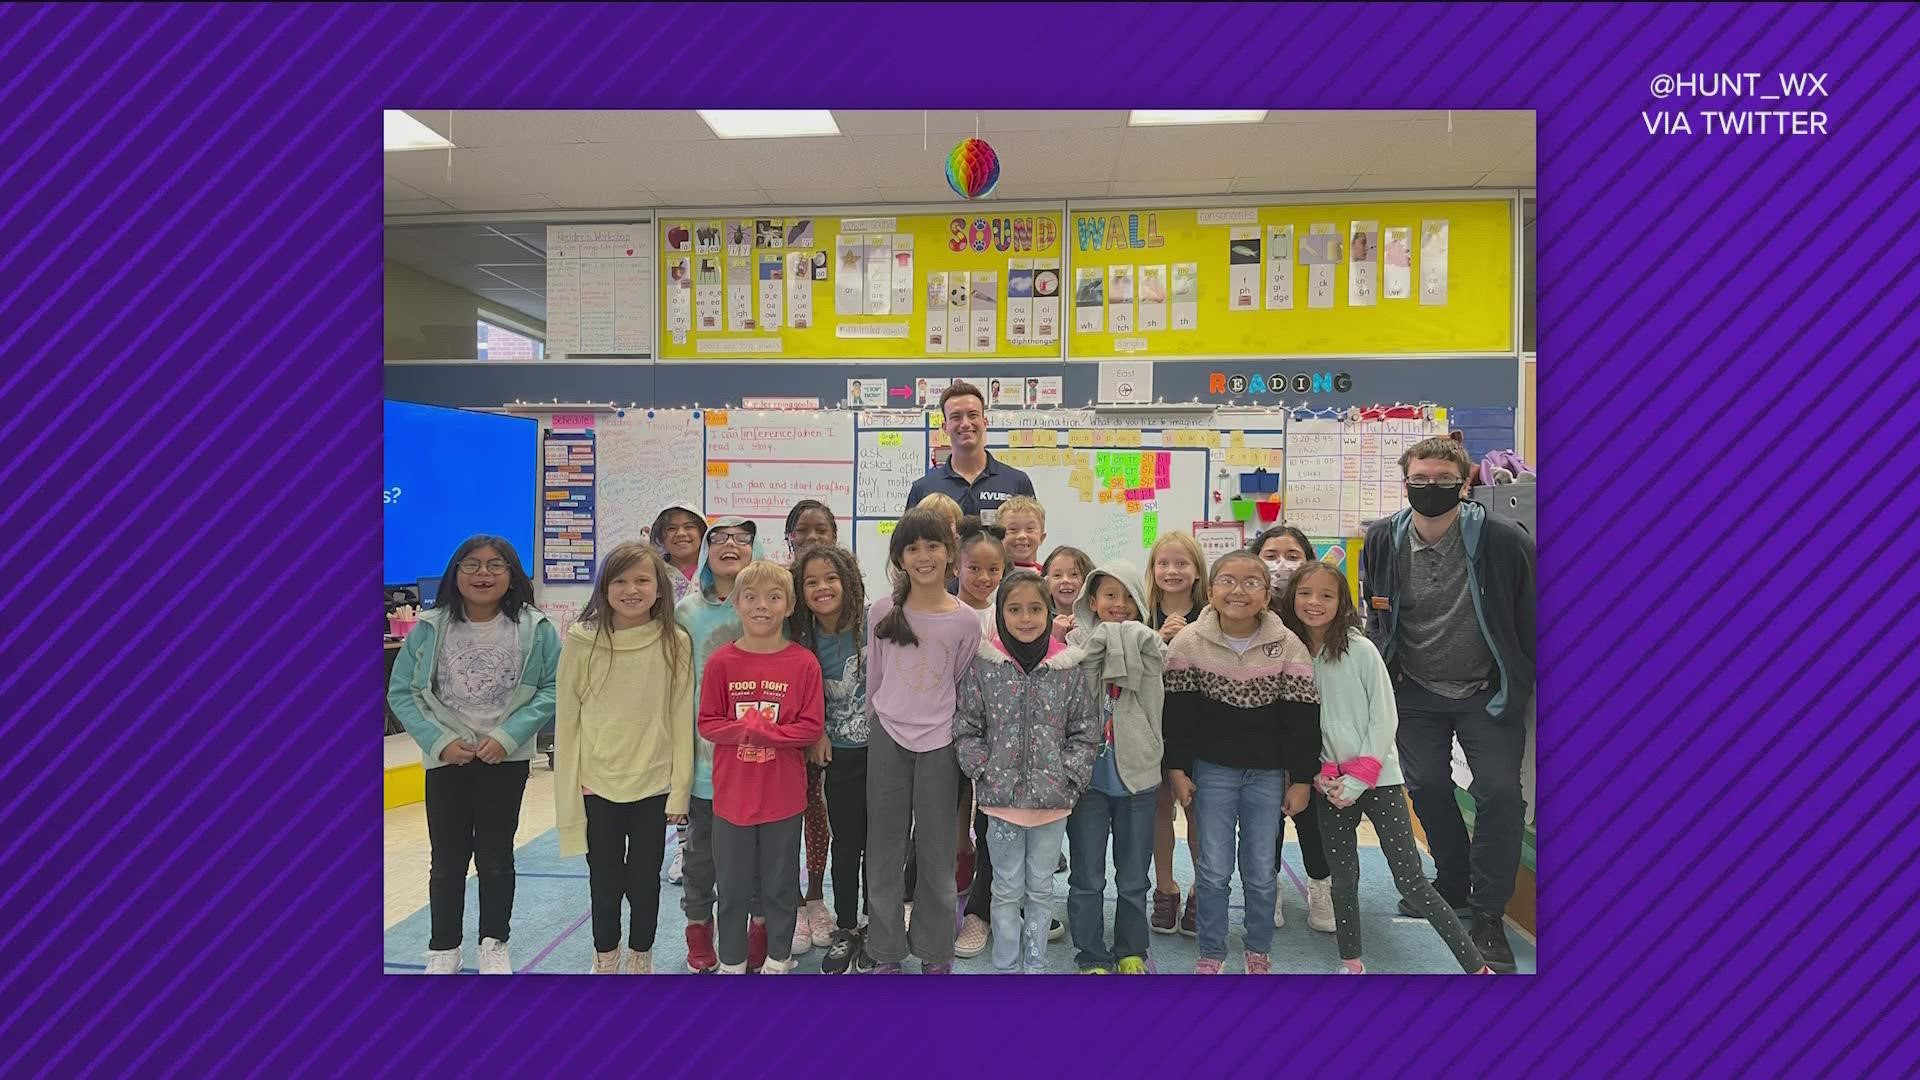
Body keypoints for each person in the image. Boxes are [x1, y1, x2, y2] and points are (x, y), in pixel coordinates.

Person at [1361, 436, 1535, 973]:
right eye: (1420, 479)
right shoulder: (1382, 541)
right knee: (1428, 788)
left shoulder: (1504, 542)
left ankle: (1487, 915)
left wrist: (1519, 681)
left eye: (1443, 480)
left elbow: (1529, 617)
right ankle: (1452, 884)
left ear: (1464, 484)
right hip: (1413, 688)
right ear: (1404, 479)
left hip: (1486, 689)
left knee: (1502, 796)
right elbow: (1378, 614)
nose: (1430, 488)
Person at [1279, 562, 1492, 975]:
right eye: (1305, 593)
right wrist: (1320, 774)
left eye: (1327, 594)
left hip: (1379, 782)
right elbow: (1302, 724)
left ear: (1342, 602)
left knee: (1411, 881)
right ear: (1291, 599)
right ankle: (1351, 962)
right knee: (1343, 881)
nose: (1314, 602)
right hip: (1330, 787)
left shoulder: (1360, 650)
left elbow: (1384, 718)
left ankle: (1477, 967)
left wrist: (1360, 776)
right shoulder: (1293, 654)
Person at [389, 536, 559, 975]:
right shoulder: (429, 627)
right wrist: (439, 740)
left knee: (496, 855)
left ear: (512, 575)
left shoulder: (535, 627)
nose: (483, 574)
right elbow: (403, 692)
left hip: (505, 759)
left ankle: (493, 941)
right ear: (455, 572)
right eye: (472, 565)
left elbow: (552, 688)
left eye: (495, 565)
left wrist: (508, 735)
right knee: (446, 859)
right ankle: (444, 947)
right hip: (447, 760)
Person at [1163, 551, 1320, 975]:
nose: (1239, 590)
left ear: (1267, 595)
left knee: (1260, 869)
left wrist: (1302, 779)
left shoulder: (1288, 644)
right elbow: (1177, 716)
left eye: (1252, 582)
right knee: (1212, 869)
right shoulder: (1188, 643)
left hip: (1267, 775)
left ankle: (1258, 949)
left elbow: (1302, 719)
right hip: (1211, 771)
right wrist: (1177, 770)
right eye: (1228, 581)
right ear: (1210, 592)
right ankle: (1211, 952)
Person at [552, 543, 693, 974]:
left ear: (659, 588)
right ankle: (606, 956)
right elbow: (568, 719)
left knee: (644, 881)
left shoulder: (675, 641)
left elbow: (680, 714)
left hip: (653, 783)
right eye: (620, 581)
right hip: (598, 782)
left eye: (642, 580)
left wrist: (680, 790)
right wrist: (569, 790)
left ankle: (640, 956)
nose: (631, 590)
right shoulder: (581, 640)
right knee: (605, 880)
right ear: (604, 588)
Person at [955, 571, 1099, 974]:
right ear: (1001, 613)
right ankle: (1005, 968)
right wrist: (982, 771)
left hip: (1052, 804)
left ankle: (1034, 970)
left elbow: (1085, 728)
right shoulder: (985, 665)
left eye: (1035, 609)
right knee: (1004, 890)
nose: (1025, 618)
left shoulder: (1067, 667)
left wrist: (1070, 776)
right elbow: (967, 726)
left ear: (1049, 611)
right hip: (999, 803)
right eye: (1014, 609)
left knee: (1039, 890)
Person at [862, 509, 984, 973]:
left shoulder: (965, 622)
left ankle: (936, 949)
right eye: (912, 548)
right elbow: (876, 677)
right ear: (899, 558)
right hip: (888, 737)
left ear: (950, 555)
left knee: (937, 851)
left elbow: (958, 681)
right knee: (885, 848)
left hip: (940, 743)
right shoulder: (882, 611)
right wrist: (880, 723)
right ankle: (886, 948)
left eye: (932, 546)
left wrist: (940, 726)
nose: (923, 556)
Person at [698, 561, 826, 974]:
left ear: (789, 606)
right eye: (750, 597)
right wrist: (743, 730)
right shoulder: (721, 662)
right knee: (732, 888)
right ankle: (732, 961)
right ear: (736, 604)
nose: (761, 607)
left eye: (774, 597)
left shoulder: (803, 663)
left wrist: (770, 735)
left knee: (780, 885)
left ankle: (778, 957)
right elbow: (708, 723)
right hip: (732, 799)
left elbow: (810, 726)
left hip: (783, 799)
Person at [1061, 559, 1165, 974]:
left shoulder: (1153, 647)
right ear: (1092, 601)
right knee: (1087, 876)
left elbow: (1156, 706)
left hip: (1137, 778)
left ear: (1139, 603)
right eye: (1109, 596)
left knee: (1134, 876)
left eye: (1127, 597)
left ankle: (1130, 948)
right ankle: (1090, 953)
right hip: (1087, 780)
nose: (1118, 605)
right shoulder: (1074, 647)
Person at [674, 516, 765, 973]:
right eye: (720, 539)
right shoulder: (687, 611)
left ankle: (756, 931)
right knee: (700, 855)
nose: (731, 545)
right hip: (703, 758)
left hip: (757, 759)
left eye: (742, 539)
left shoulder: (770, 605)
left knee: (754, 858)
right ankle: (698, 929)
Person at [788, 545, 873, 974]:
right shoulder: (801, 637)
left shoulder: (873, 625)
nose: (822, 588)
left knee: (882, 846)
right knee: (847, 843)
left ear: (849, 581)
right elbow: (799, 693)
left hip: (882, 754)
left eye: (831, 579)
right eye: (811, 581)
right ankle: (846, 926)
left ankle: (878, 925)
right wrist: (817, 730)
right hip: (836, 758)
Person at [1248, 524, 1336, 933]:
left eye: (1292, 555)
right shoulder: (1246, 613)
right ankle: (1269, 886)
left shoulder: (1320, 615)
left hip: (1315, 740)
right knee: (1265, 820)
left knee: (1314, 818)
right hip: (1261, 739)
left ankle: (1322, 884)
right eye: (1270, 555)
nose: (1281, 564)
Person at [781, 499, 838, 957]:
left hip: (826, 730)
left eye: (822, 530)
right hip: (781, 726)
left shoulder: (840, 591)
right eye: (804, 530)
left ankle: (817, 896)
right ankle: (792, 901)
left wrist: (819, 728)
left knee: (819, 816)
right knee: (783, 815)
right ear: (790, 537)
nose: (813, 538)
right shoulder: (778, 591)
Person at [1143, 532, 1207, 938]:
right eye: (1163, 563)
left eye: (1181, 563)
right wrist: (1158, 639)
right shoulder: (1140, 613)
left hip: (1198, 727)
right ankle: (1165, 888)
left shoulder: (1213, 613)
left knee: (1198, 810)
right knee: (1158, 809)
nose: (1172, 571)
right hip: (1150, 726)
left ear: (1197, 570)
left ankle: (1205, 890)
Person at [905, 381, 1036, 519]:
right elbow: (911, 539)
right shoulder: (923, 489)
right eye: (956, 417)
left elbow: (1029, 535)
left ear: (985, 422)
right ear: (945, 427)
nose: (966, 424)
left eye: (973, 415)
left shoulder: (1017, 482)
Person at [651, 503, 708, 603]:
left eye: (689, 527)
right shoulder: (654, 572)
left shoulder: (715, 570)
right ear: (660, 537)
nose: (681, 533)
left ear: (702, 533)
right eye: (671, 528)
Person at [1042, 545, 1093, 641]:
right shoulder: (1038, 621)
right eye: (1057, 575)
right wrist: (1052, 639)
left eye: (1074, 574)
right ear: (1046, 583)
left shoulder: (1098, 618)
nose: (1065, 580)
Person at [996, 495, 1048, 573]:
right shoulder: (991, 577)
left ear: (1042, 537)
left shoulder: (1047, 579)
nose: (1022, 536)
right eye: (1013, 529)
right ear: (998, 537)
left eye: (1030, 528)